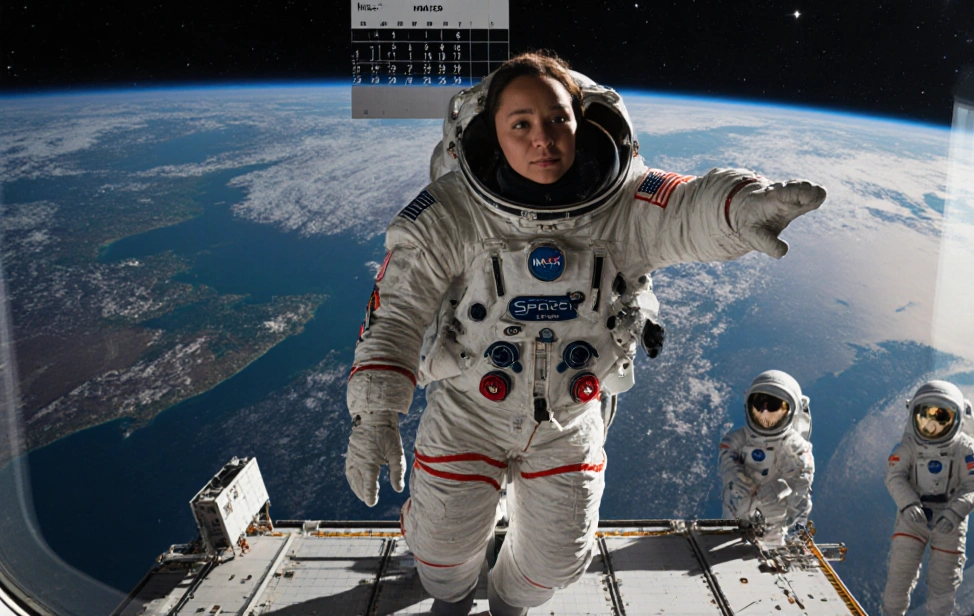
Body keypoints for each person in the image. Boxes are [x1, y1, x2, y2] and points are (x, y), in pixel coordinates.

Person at [342, 51, 827, 616]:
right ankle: (449, 597)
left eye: (556, 119)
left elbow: (689, 208)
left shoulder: (623, 200)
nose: (541, 138)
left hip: (570, 417)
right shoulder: (453, 212)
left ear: (581, 120)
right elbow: (397, 312)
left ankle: (508, 603)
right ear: (493, 135)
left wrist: (742, 208)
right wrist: (375, 413)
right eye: (520, 124)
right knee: (440, 551)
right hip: (469, 410)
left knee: (557, 562)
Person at [882, 381, 974, 616]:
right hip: (913, 518)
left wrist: (954, 512)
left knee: (943, 591)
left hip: (950, 521)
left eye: (941, 418)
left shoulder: (966, 449)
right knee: (898, 583)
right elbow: (894, 476)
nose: (932, 426)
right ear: (914, 415)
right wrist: (908, 503)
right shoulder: (908, 446)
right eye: (925, 417)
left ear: (957, 418)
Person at [718, 370, 815, 548]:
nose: (764, 413)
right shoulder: (735, 441)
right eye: (759, 405)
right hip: (734, 519)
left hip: (773, 525)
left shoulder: (796, 448)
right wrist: (741, 482)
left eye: (773, 407)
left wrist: (781, 488)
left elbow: (801, 484)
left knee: (767, 544)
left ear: (791, 412)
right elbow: (727, 464)